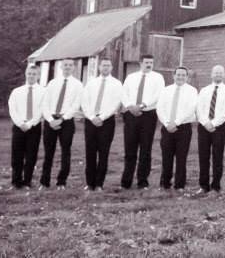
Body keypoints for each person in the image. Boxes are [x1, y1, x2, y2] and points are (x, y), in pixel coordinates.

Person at [120, 54, 165, 190]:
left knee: (145, 149)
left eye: (151, 62)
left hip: (148, 115)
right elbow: (124, 93)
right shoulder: (131, 77)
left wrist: (142, 105)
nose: (149, 65)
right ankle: (126, 182)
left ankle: (142, 181)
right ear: (140, 63)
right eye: (146, 62)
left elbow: (158, 95)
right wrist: (129, 106)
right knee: (130, 149)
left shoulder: (158, 78)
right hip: (131, 114)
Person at [40, 58, 83, 190]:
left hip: (66, 121)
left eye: (70, 65)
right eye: (65, 65)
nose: (67, 67)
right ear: (61, 67)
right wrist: (50, 120)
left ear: (73, 67)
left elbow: (75, 105)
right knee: (48, 153)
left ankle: (61, 182)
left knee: (66, 151)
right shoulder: (52, 83)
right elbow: (45, 103)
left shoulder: (78, 84)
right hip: (50, 120)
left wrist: (62, 119)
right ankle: (44, 182)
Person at [80, 58, 122, 192]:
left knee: (104, 153)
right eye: (103, 65)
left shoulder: (116, 84)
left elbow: (116, 103)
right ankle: (89, 183)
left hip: (107, 121)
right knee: (90, 152)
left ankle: (99, 184)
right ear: (99, 67)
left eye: (108, 65)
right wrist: (92, 117)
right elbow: (84, 102)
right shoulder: (91, 83)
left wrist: (102, 117)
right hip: (91, 120)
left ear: (111, 68)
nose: (105, 68)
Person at [156, 66, 198, 190]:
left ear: (187, 77)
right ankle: (165, 184)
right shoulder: (166, 90)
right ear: (173, 76)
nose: (180, 77)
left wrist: (177, 122)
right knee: (166, 157)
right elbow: (160, 108)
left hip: (183, 128)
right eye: (178, 75)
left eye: (183, 75)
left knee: (181, 157)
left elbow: (191, 109)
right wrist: (167, 122)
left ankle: (179, 185)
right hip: (167, 127)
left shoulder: (192, 91)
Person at [196, 65, 225, 194]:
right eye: (216, 72)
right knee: (203, 156)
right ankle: (203, 185)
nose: (218, 74)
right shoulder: (204, 90)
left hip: (219, 127)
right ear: (211, 74)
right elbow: (199, 109)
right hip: (203, 126)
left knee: (217, 156)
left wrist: (214, 123)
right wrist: (206, 122)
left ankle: (216, 186)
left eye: (220, 73)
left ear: (224, 75)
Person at [8, 65, 46, 189]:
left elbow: (42, 110)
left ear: (38, 76)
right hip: (19, 126)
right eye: (29, 73)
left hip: (34, 127)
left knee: (31, 155)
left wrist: (29, 124)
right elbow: (12, 109)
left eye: (34, 74)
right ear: (26, 74)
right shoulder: (17, 91)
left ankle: (27, 182)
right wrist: (20, 123)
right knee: (16, 155)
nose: (31, 76)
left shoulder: (43, 92)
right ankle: (16, 181)